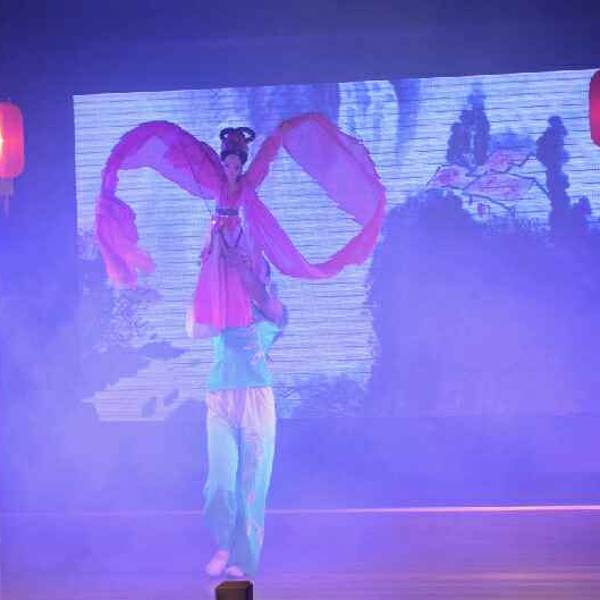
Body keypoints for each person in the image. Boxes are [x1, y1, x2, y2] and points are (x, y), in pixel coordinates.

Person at [95, 113, 386, 337]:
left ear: (242, 165)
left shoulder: (248, 184)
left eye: (236, 166)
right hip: (219, 234)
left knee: (244, 272)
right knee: (214, 273)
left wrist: (279, 136)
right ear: (222, 164)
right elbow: (213, 220)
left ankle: (244, 313)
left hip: (239, 235)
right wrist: (208, 243)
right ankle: (217, 315)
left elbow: (265, 161)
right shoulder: (215, 183)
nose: (231, 170)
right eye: (228, 165)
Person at [187, 244, 286, 578]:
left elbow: (261, 295)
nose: (247, 270)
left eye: (256, 267)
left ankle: (244, 559)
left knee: (251, 483)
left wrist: (239, 267)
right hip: (221, 398)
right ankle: (223, 545)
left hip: (256, 399)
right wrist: (208, 270)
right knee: (219, 483)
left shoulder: (274, 310)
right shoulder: (221, 307)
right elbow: (195, 328)